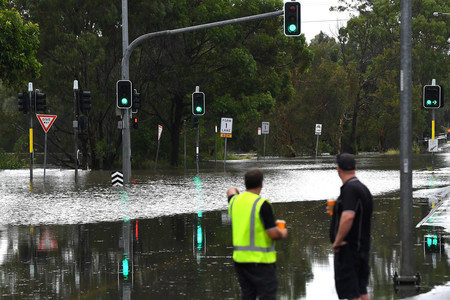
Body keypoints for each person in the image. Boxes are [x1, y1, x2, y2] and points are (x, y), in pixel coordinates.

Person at [227, 168, 288, 300]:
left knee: (248, 296)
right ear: (261, 184)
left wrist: (236, 191)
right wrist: (282, 232)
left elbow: (230, 191)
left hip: (240, 262)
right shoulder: (262, 205)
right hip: (261, 263)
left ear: (245, 184)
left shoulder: (234, 202)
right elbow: (273, 234)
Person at [329, 153, 373, 300]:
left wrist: (337, 241)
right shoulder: (363, 189)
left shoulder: (349, 189)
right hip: (362, 248)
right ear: (355, 167)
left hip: (349, 250)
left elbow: (348, 216)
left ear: (338, 170)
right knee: (361, 291)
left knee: (350, 293)